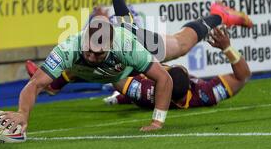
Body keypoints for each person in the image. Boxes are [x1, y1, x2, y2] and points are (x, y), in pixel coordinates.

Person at [2, 0, 253, 133]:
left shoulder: (127, 48)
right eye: (89, 50)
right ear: (83, 40)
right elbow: (32, 85)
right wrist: (23, 113)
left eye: (97, 52)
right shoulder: (69, 47)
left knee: (179, 45)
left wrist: (157, 121)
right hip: (119, 50)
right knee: (138, 43)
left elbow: (161, 79)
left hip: (129, 49)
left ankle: (218, 14)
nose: (91, 54)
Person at [103, 26, 251, 110]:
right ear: (190, 84)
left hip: (140, 81)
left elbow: (116, 78)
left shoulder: (146, 93)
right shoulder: (204, 95)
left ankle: (120, 98)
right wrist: (227, 48)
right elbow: (243, 76)